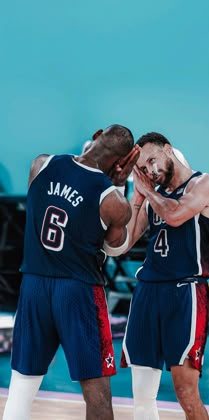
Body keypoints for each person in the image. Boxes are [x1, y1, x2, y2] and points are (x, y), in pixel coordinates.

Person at [2, 124, 140, 420]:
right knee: (98, 393)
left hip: (34, 285)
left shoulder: (41, 164)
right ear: (121, 163)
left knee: (21, 387)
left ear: (95, 136)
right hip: (78, 290)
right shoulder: (113, 201)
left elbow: (48, 203)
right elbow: (115, 247)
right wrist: (117, 186)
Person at [121, 132, 209, 420]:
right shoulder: (154, 194)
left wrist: (149, 192)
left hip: (185, 292)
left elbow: (176, 216)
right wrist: (137, 198)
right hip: (147, 291)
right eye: (143, 167)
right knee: (141, 396)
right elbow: (125, 242)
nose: (150, 171)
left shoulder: (205, 184)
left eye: (152, 160)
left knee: (186, 393)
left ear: (168, 150)